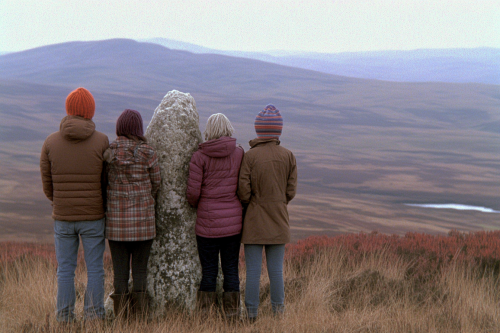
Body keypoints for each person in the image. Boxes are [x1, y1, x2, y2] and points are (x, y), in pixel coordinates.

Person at [40, 87, 109, 322]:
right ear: (90, 111)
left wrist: (61, 202)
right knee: (96, 270)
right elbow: (106, 182)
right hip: (93, 216)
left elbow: (47, 185)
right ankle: (94, 317)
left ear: (68, 110)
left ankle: (65, 319)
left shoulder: (50, 142)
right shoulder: (101, 141)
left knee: (65, 271)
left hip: (63, 217)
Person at [237, 104, 297, 321]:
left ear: (258, 130)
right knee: (276, 272)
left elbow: (243, 192)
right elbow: (291, 191)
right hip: (279, 220)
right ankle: (278, 315)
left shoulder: (250, 157)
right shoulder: (289, 156)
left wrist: (253, 204)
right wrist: (278, 203)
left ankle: (251, 315)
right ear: (278, 130)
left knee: (253, 272)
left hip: (253, 220)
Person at [186, 113, 244, 319]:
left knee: (209, 271)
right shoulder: (238, 154)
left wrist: (198, 205)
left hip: (207, 224)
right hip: (233, 225)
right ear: (228, 129)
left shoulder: (199, 157)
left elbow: (193, 193)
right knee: (231, 270)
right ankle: (232, 317)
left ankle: (205, 318)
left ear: (209, 131)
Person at [104, 109, 161, 319]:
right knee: (140, 272)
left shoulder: (108, 152)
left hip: (116, 225)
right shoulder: (148, 153)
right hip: (143, 224)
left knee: (119, 273)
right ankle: (141, 319)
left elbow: (104, 183)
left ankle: (121, 320)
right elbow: (157, 183)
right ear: (138, 129)